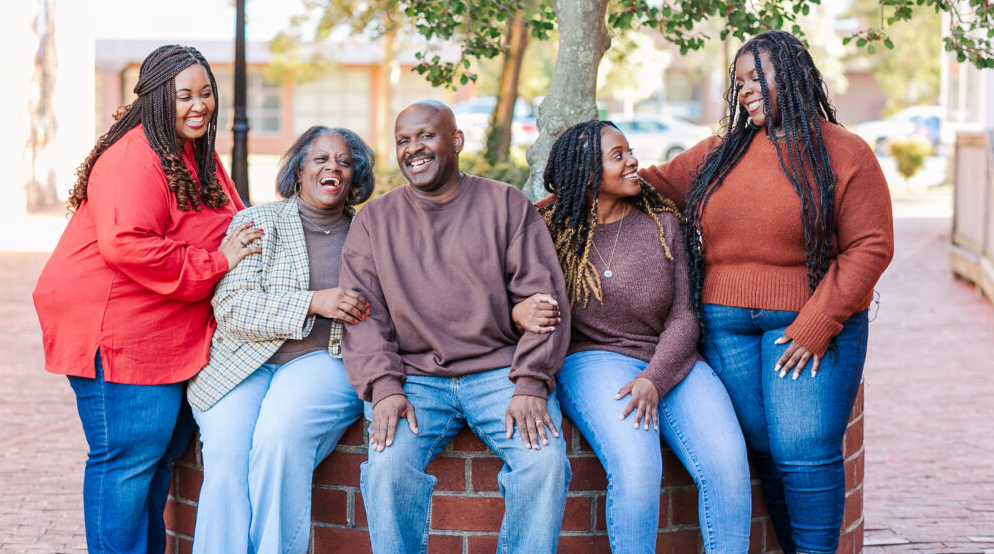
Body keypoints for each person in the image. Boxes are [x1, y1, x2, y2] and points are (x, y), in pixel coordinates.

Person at [639, 30, 895, 554]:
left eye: (757, 77)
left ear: (795, 74)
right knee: (764, 448)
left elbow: (870, 247)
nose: (746, 91)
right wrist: (534, 210)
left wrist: (817, 322)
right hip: (725, 325)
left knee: (802, 450)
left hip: (803, 324)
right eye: (739, 83)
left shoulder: (845, 152)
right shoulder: (719, 152)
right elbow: (646, 183)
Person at [32, 45, 260, 554]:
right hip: (114, 325)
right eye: (184, 96)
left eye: (206, 93)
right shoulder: (134, 158)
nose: (198, 105)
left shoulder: (194, 152)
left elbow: (233, 215)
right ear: (157, 99)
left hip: (161, 323)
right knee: (129, 457)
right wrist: (218, 263)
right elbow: (128, 244)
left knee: (156, 458)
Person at [339, 100, 572, 554]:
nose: (414, 149)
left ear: (456, 141)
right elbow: (364, 316)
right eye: (403, 140)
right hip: (415, 380)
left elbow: (544, 302)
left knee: (544, 462)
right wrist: (384, 387)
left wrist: (530, 382)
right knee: (387, 470)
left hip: (499, 375)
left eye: (425, 135)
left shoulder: (504, 204)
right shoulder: (375, 221)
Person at [530, 119, 752, 553]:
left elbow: (686, 316)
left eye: (629, 151)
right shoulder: (549, 229)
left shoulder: (664, 223)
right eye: (619, 156)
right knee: (637, 464)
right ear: (587, 172)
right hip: (592, 360)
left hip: (672, 358)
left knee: (727, 464)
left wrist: (656, 377)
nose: (634, 161)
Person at [187, 126, 374, 554]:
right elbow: (233, 307)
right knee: (227, 455)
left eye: (344, 162)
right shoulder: (256, 222)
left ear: (356, 176)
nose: (333, 168)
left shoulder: (370, 232)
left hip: (324, 361)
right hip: (243, 361)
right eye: (321, 159)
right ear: (299, 170)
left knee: (278, 441)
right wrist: (314, 302)